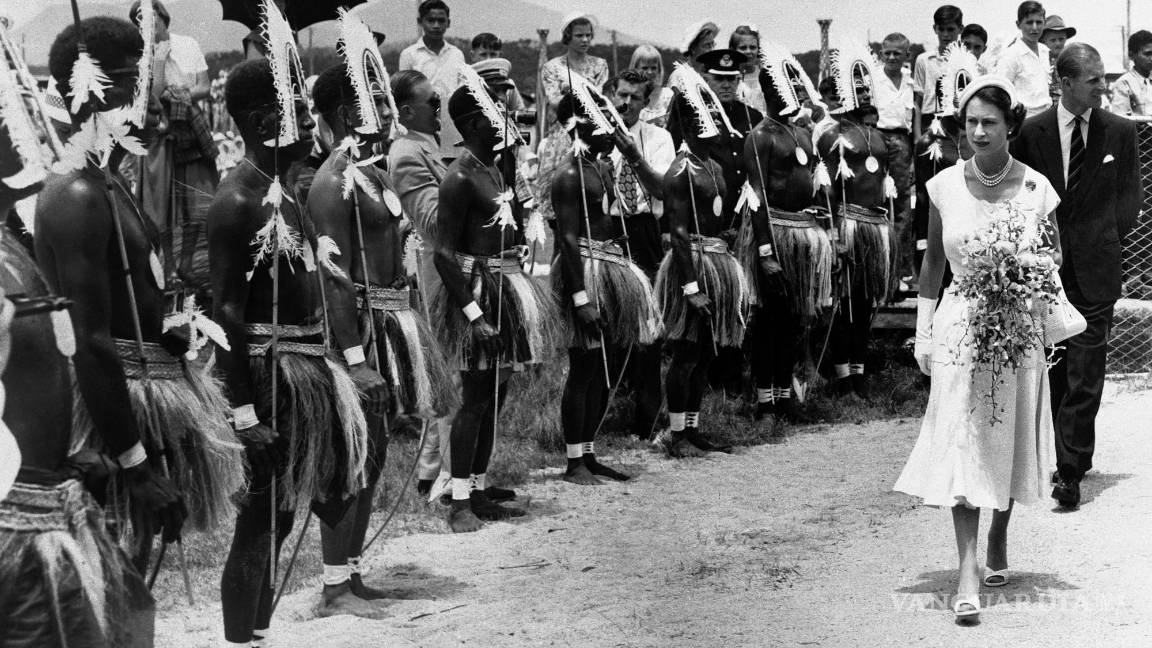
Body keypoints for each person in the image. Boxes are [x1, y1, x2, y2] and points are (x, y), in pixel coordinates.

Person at [38, 16, 231, 572]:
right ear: (89, 90)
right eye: (130, 83)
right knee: (107, 575)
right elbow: (90, 340)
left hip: (140, 395)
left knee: (133, 577)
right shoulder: (75, 194)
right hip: (107, 419)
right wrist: (135, 462)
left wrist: (170, 329)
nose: (147, 101)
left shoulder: (111, 181)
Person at [0, 47, 157, 647]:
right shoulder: (69, 200)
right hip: (17, 521)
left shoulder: (13, 247)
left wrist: (64, 457)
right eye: (13, 120)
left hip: (45, 499)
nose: (32, 132)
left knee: (121, 619)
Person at [212, 56, 370, 644]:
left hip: (303, 364)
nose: (310, 122)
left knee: (285, 512)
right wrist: (246, 414)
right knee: (260, 514)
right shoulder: (238, 201)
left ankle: (256, 630)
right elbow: (225, 313)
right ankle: (240, 637)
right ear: (260, 120)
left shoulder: (284, 192)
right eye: (297, 111)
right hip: (268, 370)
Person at [896, 75, 1061, 622]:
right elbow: (932, 266)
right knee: (963, 441)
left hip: (1016, 328)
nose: (979, 131)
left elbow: (1052, 259)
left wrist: (1025, 274)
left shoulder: (1037, 188)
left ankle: (999, 534)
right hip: (960, 325)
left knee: (1006, 434)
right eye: (970, 122)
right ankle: (966, 569)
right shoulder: (942, 184)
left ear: (1010, 125)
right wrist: (923, 332)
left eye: (990, 122)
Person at [307, 51, 455, 612]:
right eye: (373, 96)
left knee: (373, 455)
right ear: (348, 111)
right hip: (360, 334)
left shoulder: (371, 173)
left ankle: (350, 572)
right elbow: (336, 277)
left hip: (393, 323)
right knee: (352, 453)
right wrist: (355, 357)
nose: (385, 107)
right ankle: (332, 584)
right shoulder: (331, 182)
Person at [1012, 43, 1141, 508]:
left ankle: (1069, 468)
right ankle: (1070, 454)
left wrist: (1101, 237)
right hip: (1044, 271)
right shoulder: (1030, 133)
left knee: (1086, 368)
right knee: (1058, 366)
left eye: (1104, 78)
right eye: (1093, 80)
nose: (1103, 87)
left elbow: (1131, 201)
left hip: (1097, 267)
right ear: (1065, 83)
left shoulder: (1121, 132)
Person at [430, 77, 557, 532]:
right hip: (477, 293)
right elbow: (442, 255)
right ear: (471, 123)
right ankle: (460, 500)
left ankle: (479, 486)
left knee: (495, 394)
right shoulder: (460, 177)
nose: (504, 118)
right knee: (476, 396)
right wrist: (475, 315)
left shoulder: (495, 169)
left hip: (503, 286)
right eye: (493, 112)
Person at [550, 83, 661, 484]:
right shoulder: (568, 175)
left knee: (602, 367)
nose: (610, 122)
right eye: (601, 116)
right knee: (583, 366)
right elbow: (565, 238)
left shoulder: (601, 167)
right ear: (580, 124)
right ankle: (573, 461)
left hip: (607, 266)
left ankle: (590, 452)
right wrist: (581, 298)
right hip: (585, 272)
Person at [653, 65, 749, 457]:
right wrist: (691, 289)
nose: (715, 123)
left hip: (716, 260)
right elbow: (677, 233)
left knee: (707, 351)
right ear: (691, 122)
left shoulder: (714, 165)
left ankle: (693, 428)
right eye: (705, 116)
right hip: (690, 266)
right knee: (687, 351)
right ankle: (676, 433)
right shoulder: (681, 169)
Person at [741, 42, 833, 433]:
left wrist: (825, 235)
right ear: (769, 89)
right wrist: (765, 251)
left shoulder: (801, 133)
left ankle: (783, 395)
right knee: (769, 320)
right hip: (774, 235)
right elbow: (755, 196)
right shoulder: (760, 136)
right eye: (781, 88)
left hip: (802, 234)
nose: (789, 94)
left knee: (795, 319)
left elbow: (815, 184)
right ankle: (764, 401)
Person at [816, 41, 894, 399]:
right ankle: (842, 375)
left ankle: (859, 372)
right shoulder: (833, 135)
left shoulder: (878, 138)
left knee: (865, 303)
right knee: (845, 303)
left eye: (867, 86)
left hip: (875, 227)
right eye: (856, 87)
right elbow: (827, 190)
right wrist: (834, 234)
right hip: (847, 225)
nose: (863, 93)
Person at [129, 0, 218, 301]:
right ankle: (167, 269)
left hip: (190, 130)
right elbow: (151, 100)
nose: (149, 26)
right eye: (141, 22)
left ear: (164, 18)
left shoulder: (188, 44)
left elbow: (204, 86)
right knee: (161, 207)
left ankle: (190, 266)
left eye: (152, 19)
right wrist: (157, 62)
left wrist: (178, 94)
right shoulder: (139, 55)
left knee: (196, 201)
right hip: (160, 138)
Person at [604, 70, 676, 440]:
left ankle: (646, 418)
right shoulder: (596, 136)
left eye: (634, 97)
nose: (625, 103)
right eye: (620, 95)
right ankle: (607, 413)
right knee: (611, 322)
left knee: (648, 325)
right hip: (609, 229)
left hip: (644, 229)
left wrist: (633, 157)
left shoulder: (659, 138)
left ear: (646, 102)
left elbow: (661, 189)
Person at [534, 13, 608, 223]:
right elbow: (556, 102)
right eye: (579, 35)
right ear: (568, 36)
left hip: (590, 133)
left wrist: (571, 90)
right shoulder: (552, 67)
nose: (585, 40)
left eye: (588, 35)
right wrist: (582, 91)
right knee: (559, 214)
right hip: (562, 134)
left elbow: (598, 100)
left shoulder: (600, 65)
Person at [873, 32, 916, 296]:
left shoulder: (911, 82)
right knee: (878, 203)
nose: (891, 58)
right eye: (887, 53)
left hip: (902, 142)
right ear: (881, 54)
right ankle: (880, 272)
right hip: (877, 139)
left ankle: (901, 271)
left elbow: (914, 119)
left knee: (901, 207)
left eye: (896, 54)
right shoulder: (873, 78)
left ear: (906, 56)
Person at [398, 0, 466, 162]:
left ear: (448, 23)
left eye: (441, 21)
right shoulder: (409, 55)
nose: (436, 25)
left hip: (451, 124)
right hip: (421, 124)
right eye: (430, 20)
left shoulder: (457, 54)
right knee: (426, 166)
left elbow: (462, 90)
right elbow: (403, 93)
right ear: (420, 22)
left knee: (451, 168)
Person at [913, 5, 963, 142]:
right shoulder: (924, 60)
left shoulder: (965, 60)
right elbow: (917, 102)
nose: (946, 34)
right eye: (941, 29)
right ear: (935, 29)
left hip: (956, 121)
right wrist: (917, 135)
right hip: (929, 120)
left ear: (960, 29)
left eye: (951, 29)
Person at [995, 2, 1052, 118]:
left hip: (1046, 116)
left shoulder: (1045, 51)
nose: (1034, 27)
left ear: (1044, 23)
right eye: (1029, 22)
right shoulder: (1011, 55)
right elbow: (1000, 91)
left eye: (1039, 22)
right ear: (1018, 24)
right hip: (1024, 118)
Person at [1110, 30, 1152, 117]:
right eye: (1147, 54)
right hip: (1139, 130)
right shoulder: (1124, 84)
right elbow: (1121, 119)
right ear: (1131, 55)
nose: (1151, 58)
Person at [630, 43, 673, 126]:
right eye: (644, 68)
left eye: (653, 68)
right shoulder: (628, 96)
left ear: (659, 69)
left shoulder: (667, 95)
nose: (649, 72)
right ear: (635, 69)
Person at [730, 24, 766, 116]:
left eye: (753, 47)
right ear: (733, 50)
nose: (748, 52)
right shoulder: (729, 77)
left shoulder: (766, 74)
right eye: (743, 48)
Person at [1041, 15, 1076, 103]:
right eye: (1053, 40)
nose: (1058, 43)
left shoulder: (1072, 61)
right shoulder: (1038, 62)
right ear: (1044, 41)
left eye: (1061, 39)